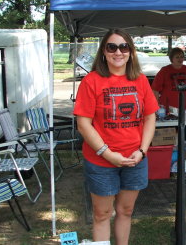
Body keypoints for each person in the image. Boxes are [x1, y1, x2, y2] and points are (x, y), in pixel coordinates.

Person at [74, 28, 159, 244]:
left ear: (131, 52)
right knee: (102, 214)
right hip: (101, 160)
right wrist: (107, 154)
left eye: (124, 47)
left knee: (126, 210)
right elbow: (83, 124)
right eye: (112, 47)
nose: (118, 52)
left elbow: (150, 118)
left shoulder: (139, 80)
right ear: (104, 51)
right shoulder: (91, 81)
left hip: (134, 159)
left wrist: (142, 151)